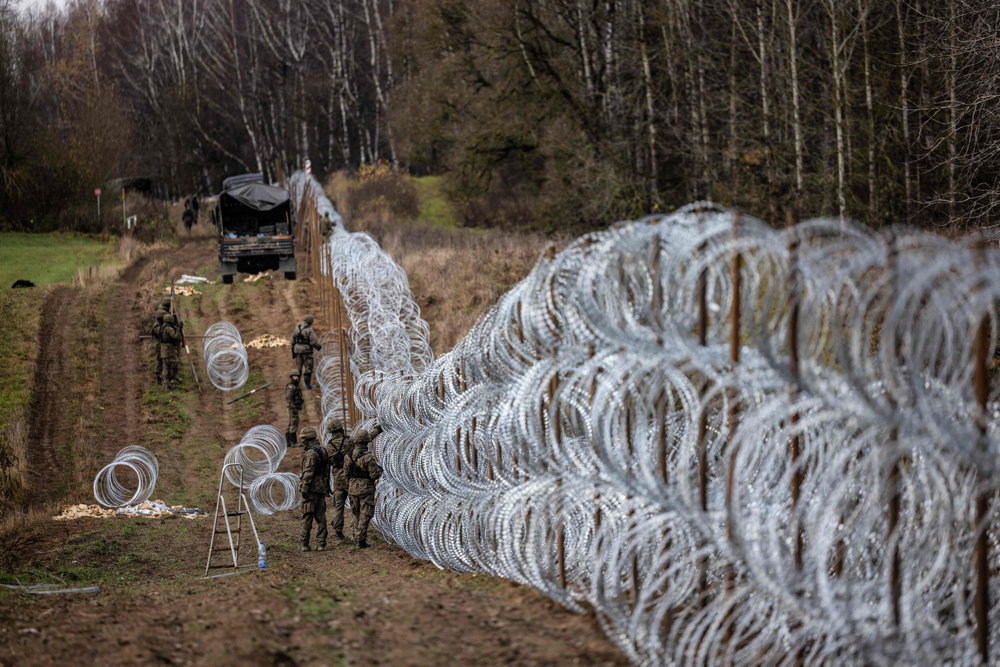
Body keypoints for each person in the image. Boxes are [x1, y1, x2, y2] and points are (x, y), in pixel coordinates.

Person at [342, 425, 383, 548]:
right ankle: (361, 539)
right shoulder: (367, 457)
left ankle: (355, 535)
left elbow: (346, 473)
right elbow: (375, 474)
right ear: (366, 442)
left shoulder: (348, 456)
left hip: (352, 487)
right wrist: (380, 469)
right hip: (365, 488)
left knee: (356, 512)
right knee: (366, 513)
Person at [298, 426, 329, 552]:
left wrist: (304, 487)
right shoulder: (323, 450)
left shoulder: (311, 453)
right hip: (321, 488)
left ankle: (305, 544)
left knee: (307, 516)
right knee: (321, 517)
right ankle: (321, 543)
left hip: (311, 489)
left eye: (303, 439)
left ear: (307, 439)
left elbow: (308, 472)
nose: (302, 441)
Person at [323, 418, 349, 541]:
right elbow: (366, 439)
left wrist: (327, 485)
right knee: (355, 505)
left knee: (339, 507)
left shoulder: (328, 447)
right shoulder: (349, 441)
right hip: (351, 478)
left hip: (338, 480)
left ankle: (339, 532)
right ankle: (357, 532)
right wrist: (379, 429)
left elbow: (326, 468)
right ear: (341, 429)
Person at [291, 315, 321, 389]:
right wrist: (319, 347)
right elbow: (313, 342)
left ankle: (296, 385)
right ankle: (308, 385)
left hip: (297, 351)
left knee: (298, 368)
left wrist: (293, 352)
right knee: (308, 368)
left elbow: (292, 341)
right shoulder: (309, 330)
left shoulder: (296, 328)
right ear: (310, 322)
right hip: (306, 351)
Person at [160, 313, 182, 389]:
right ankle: (168, 382)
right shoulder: (168, 328)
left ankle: (166, 383)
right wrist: (179, 329)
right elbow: (175, 337)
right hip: (169, 350)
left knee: (165, 367)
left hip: (164, 349)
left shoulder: (162, 327)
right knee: (173, 364)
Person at [285, 371, 304, 447]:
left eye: (297, 376)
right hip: (292, 408)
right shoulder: (291, 387)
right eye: (294, 376)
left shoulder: (295, 386)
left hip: (293, 407)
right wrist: (294, 407)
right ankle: (293, 442)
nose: (296, 377)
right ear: (291, 377)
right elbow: (289, 398)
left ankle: (288, 441)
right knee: (294, 423)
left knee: (291, 423)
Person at [151, 309, 166, 381]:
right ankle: (158, 376)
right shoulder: (156, 326)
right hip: (159, 345)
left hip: (162, 345)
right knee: (159, 360)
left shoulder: (161, 324)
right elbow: (160, 333)